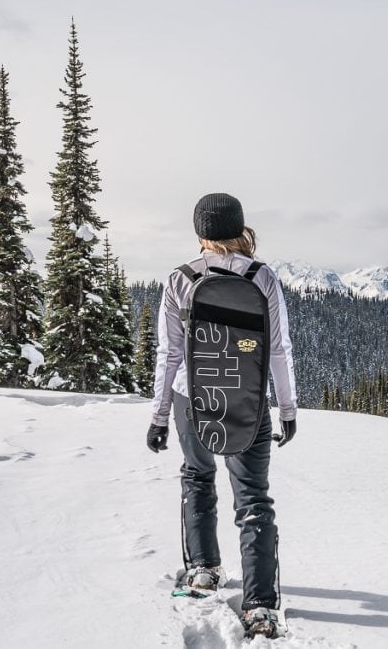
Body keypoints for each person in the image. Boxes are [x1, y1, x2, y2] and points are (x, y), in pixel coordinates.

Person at [146, 192, 297, 638]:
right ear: (239, 227)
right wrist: (286, 408)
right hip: (247, 399)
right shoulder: (261, 276)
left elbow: (169, 353)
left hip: (191, 399)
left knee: (197, 476)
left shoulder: (180, 279)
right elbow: (278, 348)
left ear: (200, 233)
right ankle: (260, 607)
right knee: (253, 499)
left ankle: (203, 571)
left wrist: (158, 416)